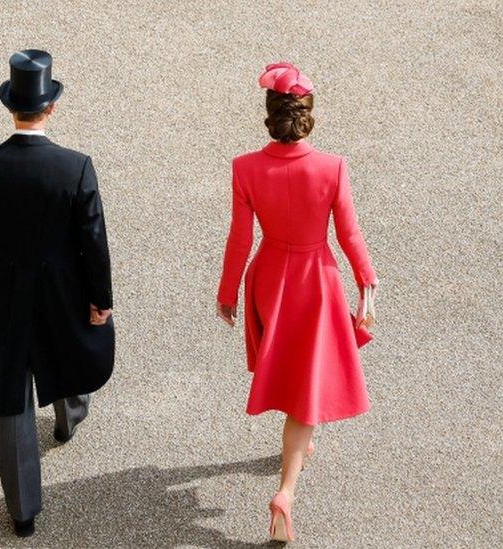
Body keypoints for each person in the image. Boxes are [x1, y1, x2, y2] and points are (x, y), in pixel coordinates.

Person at [0, 49, 115, 538]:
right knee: (64, 351)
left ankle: (23, 510)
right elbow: (93, 240)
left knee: (11, 392)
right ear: (52, 108)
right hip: (61, 287)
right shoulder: (75, 167)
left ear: (10, 107)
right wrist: (100, 297)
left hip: (1, 290)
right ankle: (69, 416)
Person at [216, 62, 378, 543]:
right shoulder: (332, 168)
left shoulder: (246, 167)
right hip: (316, 281)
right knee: (306, 387)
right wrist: (368, 282)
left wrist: (227, 293)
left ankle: (295, 451)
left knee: (292, 371)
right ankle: (286, 490)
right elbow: (348, 234)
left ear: (271, 115)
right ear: (308, 116)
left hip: (268, 278)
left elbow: (239, 239)